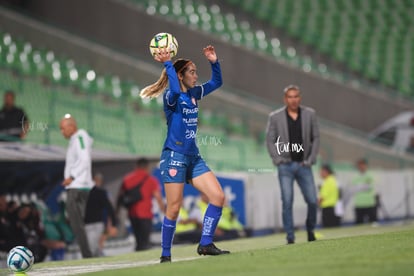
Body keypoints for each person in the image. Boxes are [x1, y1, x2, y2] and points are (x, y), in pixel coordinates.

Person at [140, 45, 230, 263]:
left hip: (193, 157)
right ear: (180, 75)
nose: (196, 75)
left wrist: (214, 62)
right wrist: (167, 64)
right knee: (173, 208)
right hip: (174, 157)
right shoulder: (172, 96)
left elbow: (217, 82)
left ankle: (206, 244)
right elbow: (176, 90)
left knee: (218, 197)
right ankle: (165, 255)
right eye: (192, 71)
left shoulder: (194, 93)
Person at [265, 84, 320, 244]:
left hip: (304, 165)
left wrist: (311, 159)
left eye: (296, 96)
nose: (293, 100)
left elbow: (315, 137)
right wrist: (277, 159)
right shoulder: (275, 117)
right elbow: (270, 140)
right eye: (290, 97)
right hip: (285, 166)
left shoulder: (310, 114)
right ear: (285, 99)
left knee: (312, 200)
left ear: (300, 98)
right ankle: (290, 236)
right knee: (287, 201)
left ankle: (310, 229)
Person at [60, 114, 94, 258]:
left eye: (63, 128)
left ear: (72, 126)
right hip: (78, 185)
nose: (62, 132)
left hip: (77, 186)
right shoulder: (76, 139)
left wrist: (71, 177)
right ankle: (86, 253)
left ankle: (87, 254)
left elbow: (84, 160)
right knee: (77, 222)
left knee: (76, 223)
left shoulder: (80, 136)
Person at [117, 158, 165, 251]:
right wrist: (164, 211)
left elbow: (120, 197)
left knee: (138, 240)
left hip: (132, 213)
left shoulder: (127, 179)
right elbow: (158, 197)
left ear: (136, 166)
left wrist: (117, 211)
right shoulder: (151, 180)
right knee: (145, 241)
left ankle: (138, 251)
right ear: (147, 167)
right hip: (146, 214)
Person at [84, 173, 118, 257]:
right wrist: (113, 223)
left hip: (90, 224)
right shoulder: (100, 192)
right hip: (96, 224)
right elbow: (110, 208)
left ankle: (97, 261)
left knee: (92, 247)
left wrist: (112, 224)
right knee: (93, 247)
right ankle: (99, 260)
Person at [351, 158, 377, 224]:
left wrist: (360, 186)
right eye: (359, 165)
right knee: (359, 224)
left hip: (369, 203)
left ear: (366, 165)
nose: (361, 166)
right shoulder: (355, 176)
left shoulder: (370, 175)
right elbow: (354, 188)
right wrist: (363, 185)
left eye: (362, 165)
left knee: (373, 223)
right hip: (359, 204)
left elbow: (370, 186)